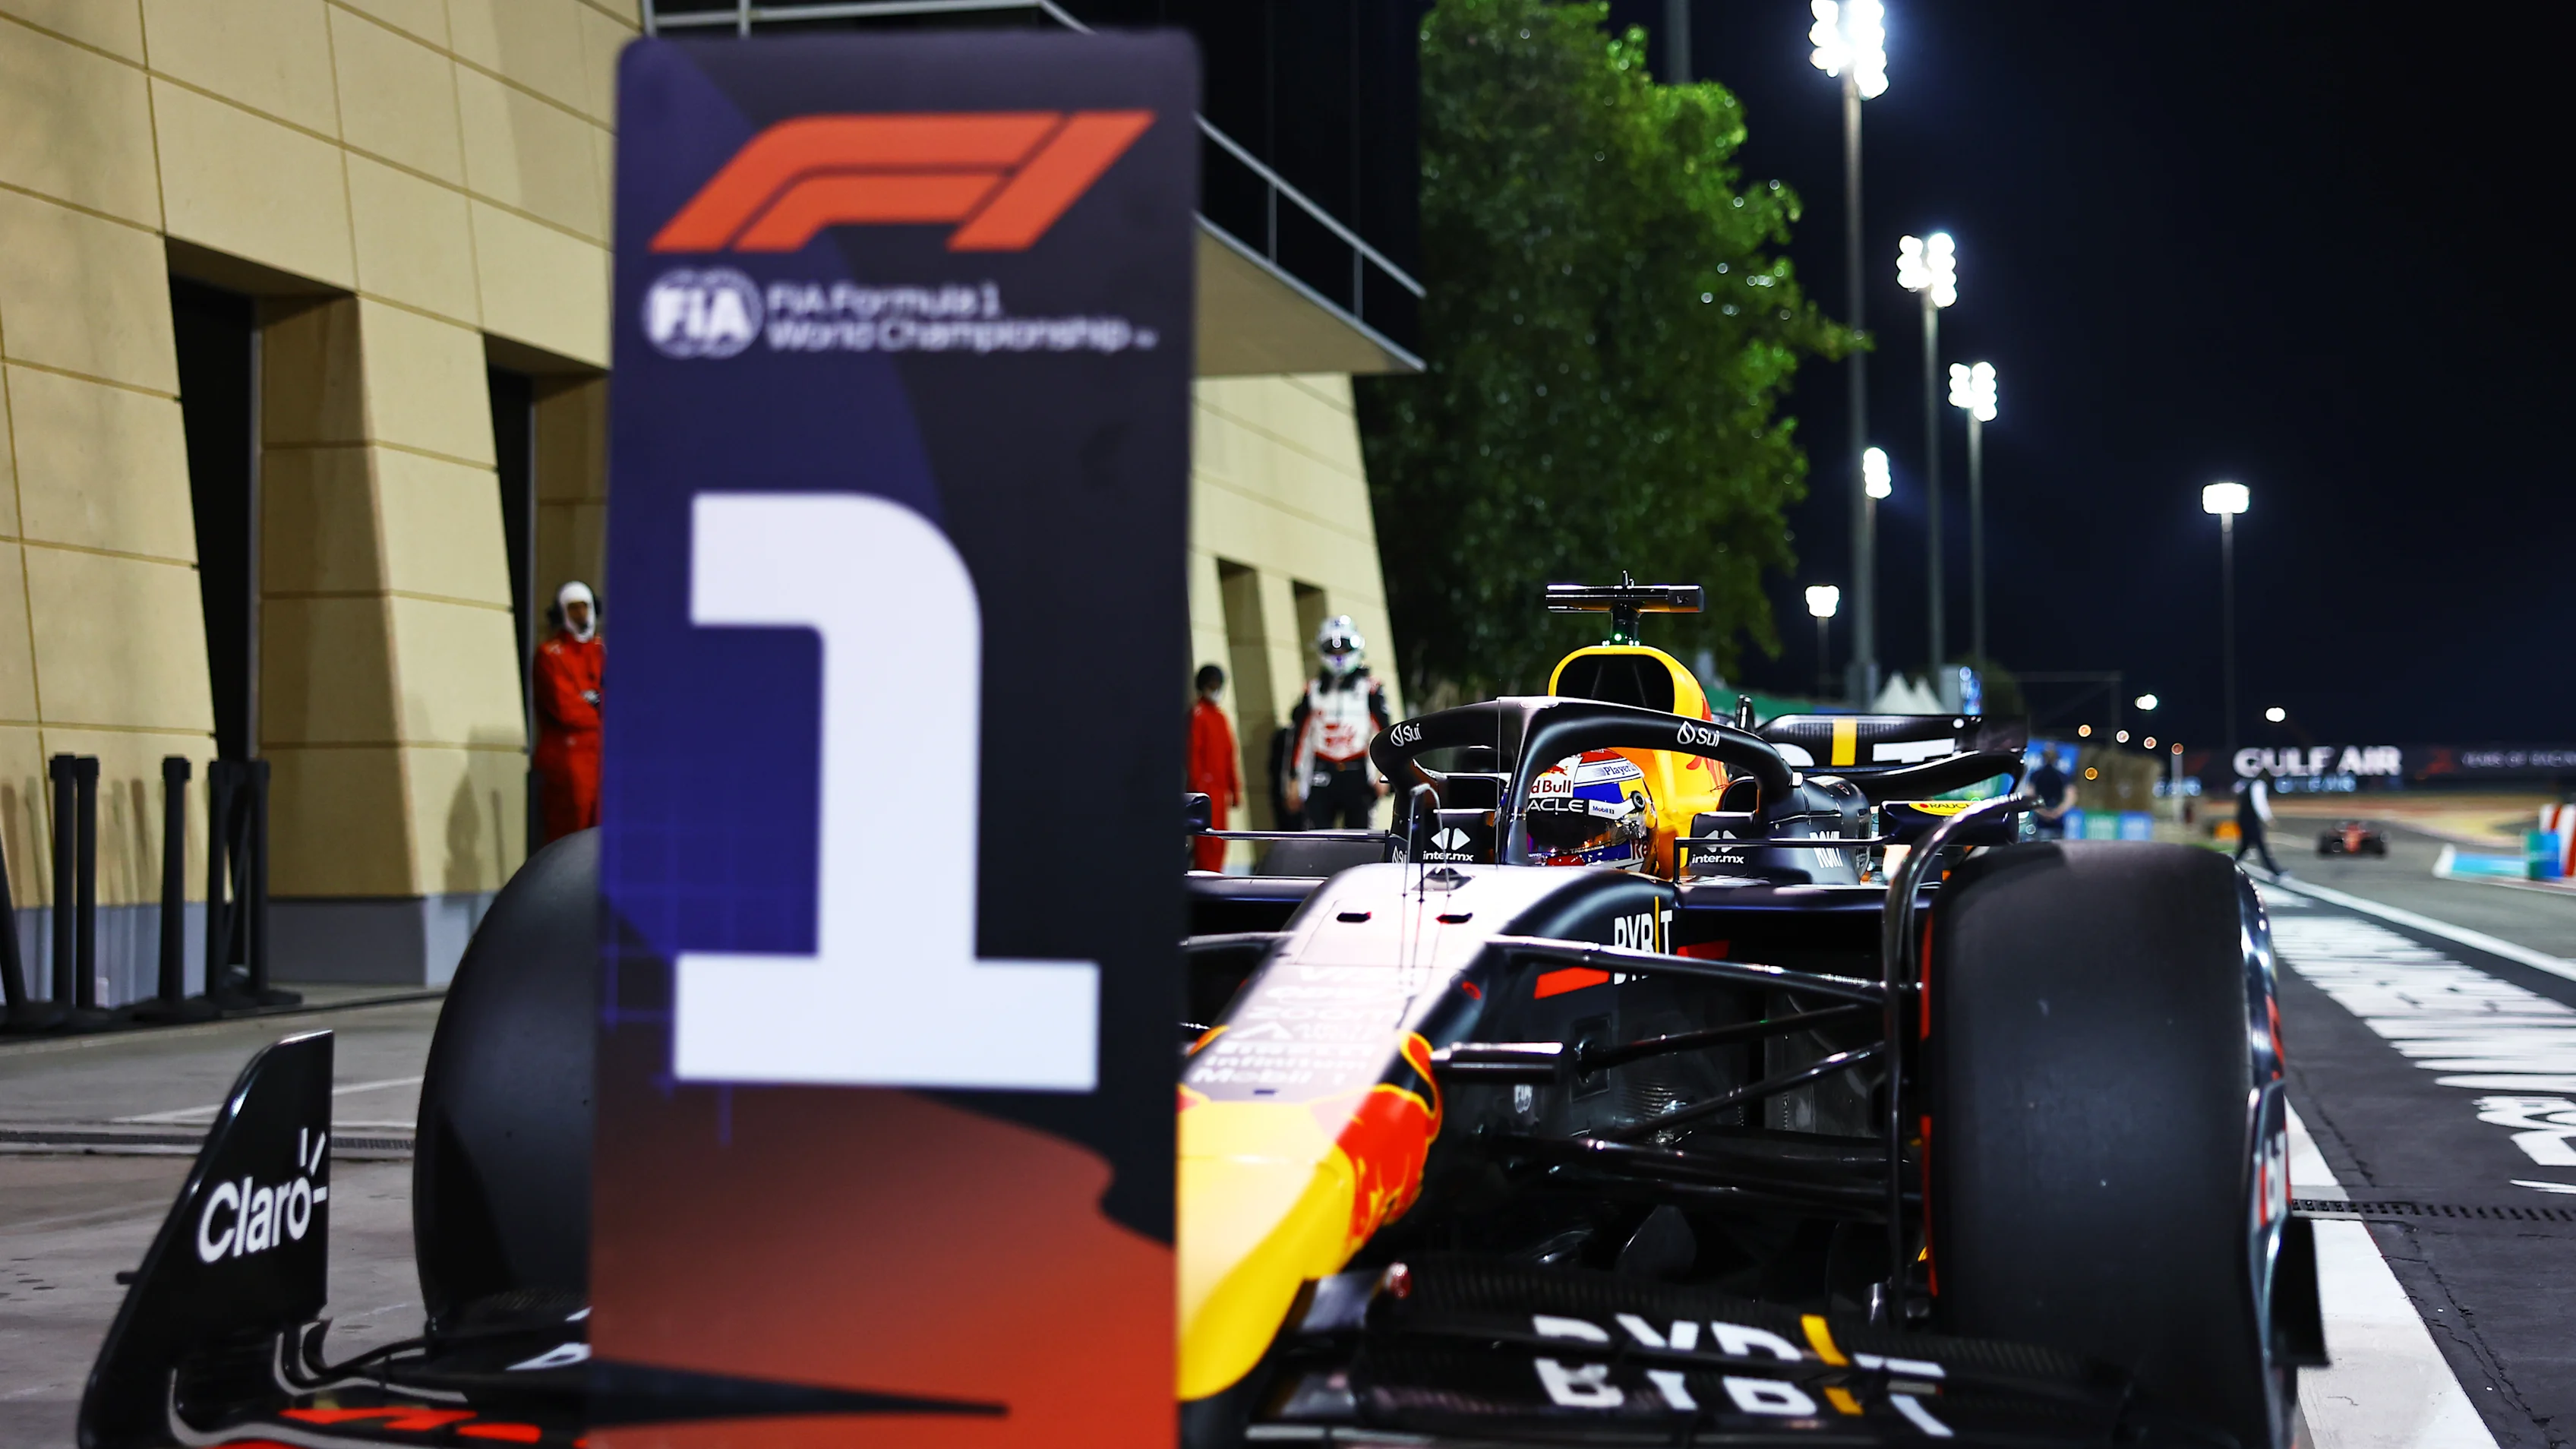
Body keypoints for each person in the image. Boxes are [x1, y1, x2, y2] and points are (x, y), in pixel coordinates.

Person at [1286, 615, 1391, 830]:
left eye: (1343, 648)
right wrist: (1294, 778)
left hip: (1357, 771)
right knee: (1318, 837)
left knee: (1362, 837)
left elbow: (1384, 733)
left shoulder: (1370, 689)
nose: (1338, 655)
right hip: (1322, 770)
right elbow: (1300, 738)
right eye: (1332, 649)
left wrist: (1385, 773)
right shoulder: (1313, 691)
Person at [533, 581, 604, 843]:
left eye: (584, 607)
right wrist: (598, 708)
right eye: (573, 609)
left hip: (602, 757)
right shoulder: (550, 655)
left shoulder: (603, 651)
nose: (581, 615)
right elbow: (566, 709)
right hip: (568, 761)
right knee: (569, 839)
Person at [1187, 664, 1241, 873]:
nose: (1216, 690)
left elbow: (1230, 756)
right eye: (1212, 685)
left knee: (1219, 842)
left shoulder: (1220, 717)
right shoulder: (1197, 716)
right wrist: (1198, 789)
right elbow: (1192, 755)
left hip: (1220, 794)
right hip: (1204, 793)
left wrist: (1235, 791)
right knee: (1206, 844)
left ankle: (1217, 879)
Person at [2235, 768, 2286, 876]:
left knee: (2244, 847)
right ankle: (2275, 871)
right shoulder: (2259, 786)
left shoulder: (2254, 784)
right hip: (2249, 821)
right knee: (2261, 847)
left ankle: (2230, 865)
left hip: (2244, 819)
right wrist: (2268, 818)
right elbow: (2260, 804)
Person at [2028, 749, 2077, 838]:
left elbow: (2030, 796)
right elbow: (2071, 797)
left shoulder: (2036, 775)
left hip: (2044, 816)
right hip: (2051, 817)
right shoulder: (2063, 776)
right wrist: (2056, 812)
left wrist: (2043, 811)